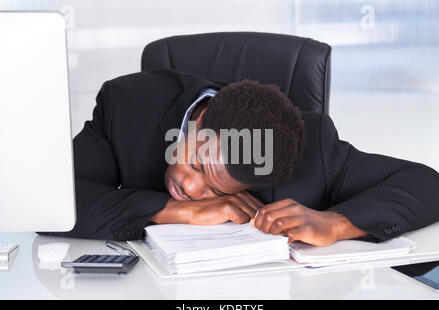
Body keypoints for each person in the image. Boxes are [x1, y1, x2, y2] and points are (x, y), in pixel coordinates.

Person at [40, 68, 439, 246]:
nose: (192, 188)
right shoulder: (126, 105)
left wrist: (336, 223)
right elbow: (51, 202)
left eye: (215, 189)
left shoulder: (311, 147)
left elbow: (425, 184)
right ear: (199, 118)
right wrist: (175, 211)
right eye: (195, 163)